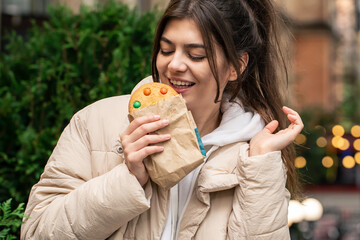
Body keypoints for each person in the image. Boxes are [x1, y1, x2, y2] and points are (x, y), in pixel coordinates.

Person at [21, 0, 304, 239]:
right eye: (166, 50)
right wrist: (128, 177)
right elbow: (36, 231)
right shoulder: (95, 122)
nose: (174, 65)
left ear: (236, 67)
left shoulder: (252, 153)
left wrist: (260, 165)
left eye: (196, 55)